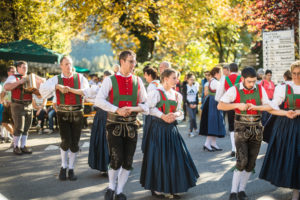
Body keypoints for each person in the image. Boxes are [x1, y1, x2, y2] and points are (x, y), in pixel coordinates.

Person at [95, 50, 148, 200]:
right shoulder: (110, 80)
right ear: (122, 62)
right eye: (131, 61)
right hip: (114, 124)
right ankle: (111, 186)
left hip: (131, 125)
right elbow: (99, 100)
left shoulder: (138, 81)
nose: (134, 64)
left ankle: (119, 191)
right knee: (116, 159)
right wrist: (116, 109)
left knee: (128, 160)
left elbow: (146, 104)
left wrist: (133, 109)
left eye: (134, 61)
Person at [140, 68, 199, 199]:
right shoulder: (155, 92)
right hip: (158, 130)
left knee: (175, 157)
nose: (176, 80)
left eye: (177, 78)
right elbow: (148, 108)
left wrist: (176, 114)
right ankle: (158, 188)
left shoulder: (178, 95)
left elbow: (181, 112)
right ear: (165, 79)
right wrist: (162, 116)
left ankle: (175, 186)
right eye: (174, 78)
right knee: (158, 157)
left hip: (171, 130)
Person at [217, 67, 270, 200]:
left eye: (254, 81)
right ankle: (233, 192)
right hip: (241, 127)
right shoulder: (234, 89)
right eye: (249, 82)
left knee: (251, 163)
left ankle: (242, 190)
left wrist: (258, 107)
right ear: (242, 79)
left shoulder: (260, 89)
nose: (252, 84)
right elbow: (220, 105)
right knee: (242, 160)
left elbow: (269, 106)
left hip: (257, 128)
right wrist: (237, 105)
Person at [39, 56, 89, 181]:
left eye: (70, 64)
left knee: (75, 143)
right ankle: (63, 166)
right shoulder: (56, 79)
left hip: (77, 113)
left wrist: (74, 90)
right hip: (62, 114)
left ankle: (71, 168)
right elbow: (42, 90)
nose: (68, 66)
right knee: (65, 141)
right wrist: (56, 86)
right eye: (66, 64)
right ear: (61, 66)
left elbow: (88, 92)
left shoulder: (80, 78)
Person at [258, 61, 300, 200]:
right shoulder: (284, 88)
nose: (296, 76)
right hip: (288, 126)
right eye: (294, 73)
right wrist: (259, 107)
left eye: (299, 73)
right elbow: (274, 105)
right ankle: (296, 191)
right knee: (294, 157)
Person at [4, 61, 39, 155]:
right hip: (17, 105)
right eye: (23, 67)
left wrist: (37, 91)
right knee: (19, 127)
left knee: (27, 127)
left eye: (26, 67)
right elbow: (6, 87)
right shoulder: (13, 77)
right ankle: (16, 147)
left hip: (28, 105)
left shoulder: (30, 78)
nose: (25, 69)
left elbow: (37, 93)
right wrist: (19, 82)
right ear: (18, 68)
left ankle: (23, 146)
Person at [215, 63, 241, 157]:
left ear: (229, 70)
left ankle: (234, 149)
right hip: (241, 105)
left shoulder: (225, 79)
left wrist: (221, 101)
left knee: (231, 126)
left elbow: (219, 94)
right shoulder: (242, 78)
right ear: (238, 70)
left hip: (230, 105)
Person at [199, 67, 226, 152]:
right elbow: (221, 92)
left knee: (214, 123)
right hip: (213, 103)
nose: (221, 74)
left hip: (211, 102)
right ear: (217, 73)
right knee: (213, 123)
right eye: (220, 72)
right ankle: (207, 144)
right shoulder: (216, 82)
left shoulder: (211, 81)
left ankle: (213, 143)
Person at [141, 66, 160, 153]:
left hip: (151, 113)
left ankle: (149, 152)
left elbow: (150, 103)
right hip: (159, 112)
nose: (145, 77)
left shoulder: (152, 86)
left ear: (149, 75)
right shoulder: (159, 83)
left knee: (149, 133)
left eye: (145, 75)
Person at [0, 66, 16, 145]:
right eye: (12, 72)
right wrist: (2, 100)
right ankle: (15, 135)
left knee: (14, 124)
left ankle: (15, 139)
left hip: (13, 105)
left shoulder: (16, 81)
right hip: (6, 105)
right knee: (4, 123)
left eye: (15, 72)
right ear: (8, 72)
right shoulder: (5, 83)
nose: (14, 73)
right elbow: (2, 94)